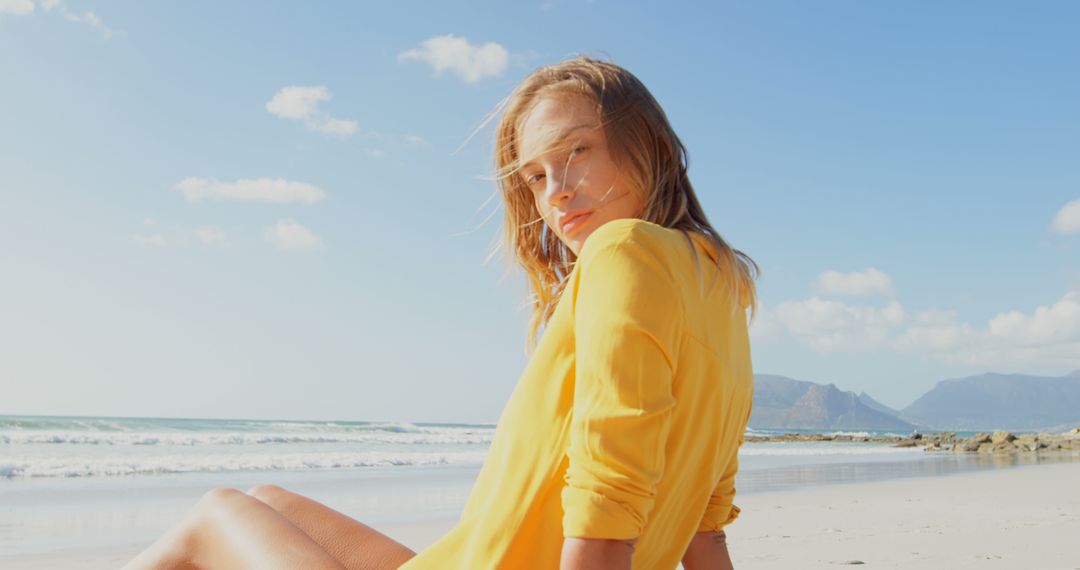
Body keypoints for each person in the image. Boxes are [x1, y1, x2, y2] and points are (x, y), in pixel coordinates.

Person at [122, 54, 759, 570]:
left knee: (214, 515)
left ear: (644, 142)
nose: (556, 190)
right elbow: (706, 531)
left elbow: (608, 496)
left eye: (576, 151)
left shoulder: (623, 250)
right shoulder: (724, 286)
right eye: (535, 176)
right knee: (267, 503)